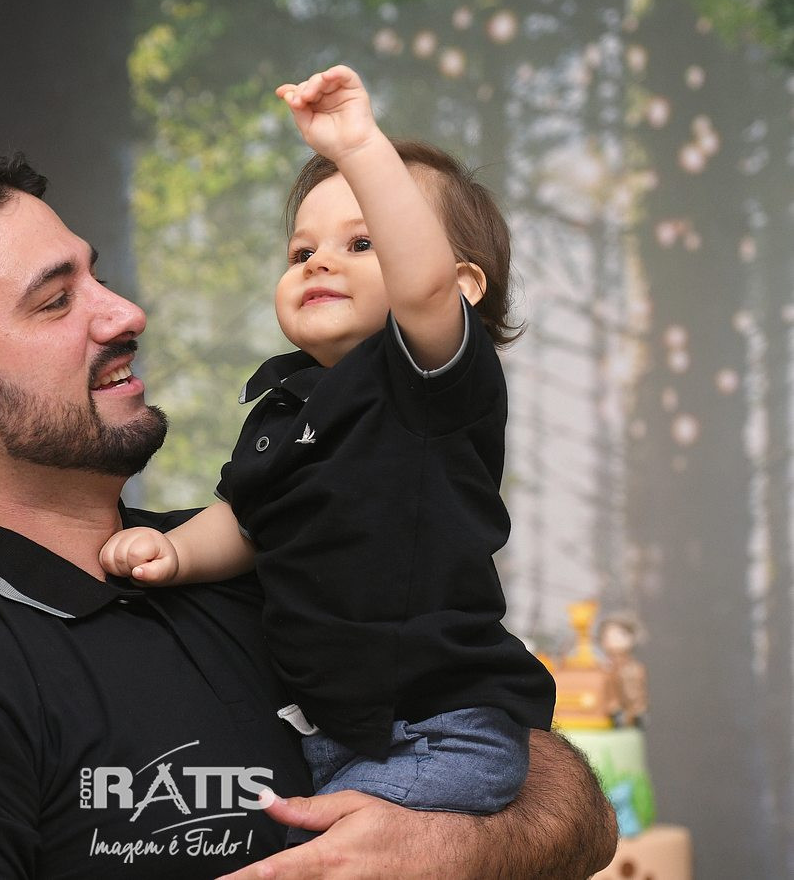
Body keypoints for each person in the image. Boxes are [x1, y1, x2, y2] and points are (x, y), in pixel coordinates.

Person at [0, 143, 617, 877]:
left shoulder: (271, 543)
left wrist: (453, 847)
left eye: (97, 276)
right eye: (56, 299)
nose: (126, 313)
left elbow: (568, 797)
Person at [101, 63, 554, 830]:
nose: (318, 261)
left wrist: (359, 147)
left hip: (438, 727)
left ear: (463, 286)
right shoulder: (284, 404)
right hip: (334, 733)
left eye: (362, 241)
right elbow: (249, 517)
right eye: (300, 251)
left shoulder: (429, 383)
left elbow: (422, 289)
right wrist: (175, 553)